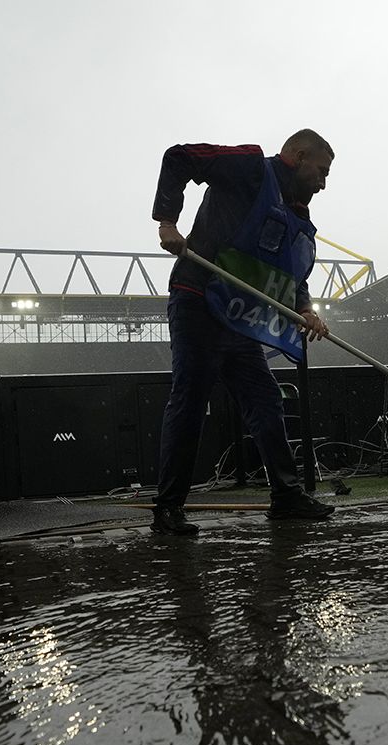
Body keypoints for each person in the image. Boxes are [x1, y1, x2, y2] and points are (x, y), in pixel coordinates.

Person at [150, 130, 338, 537]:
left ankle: (286, 496)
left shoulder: (295, 213)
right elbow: (179, 156)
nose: (323, 183)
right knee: (190, 400)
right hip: (198, 299)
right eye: (321, 172)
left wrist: (305, 309)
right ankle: (168, 509)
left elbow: (287, 272)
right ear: (299, 155)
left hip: (239, 317)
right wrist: (168, 222)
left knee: (265, 399)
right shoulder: (249, 167)